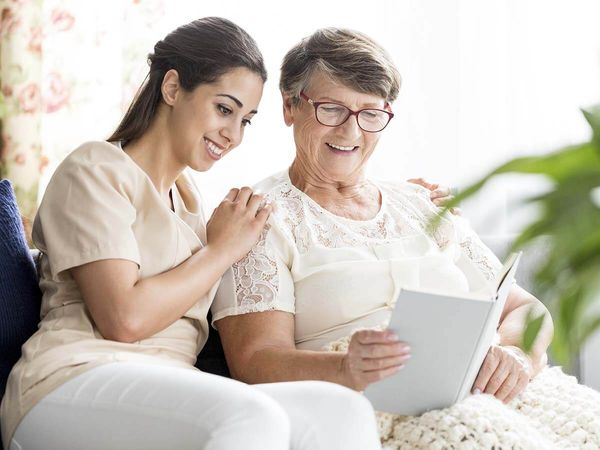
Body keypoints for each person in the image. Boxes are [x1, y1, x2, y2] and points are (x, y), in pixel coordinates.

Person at [0, 18, 387, 450]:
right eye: (225, 109)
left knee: (339, 409)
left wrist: (409, 200)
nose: (233, 134)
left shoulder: (189, 201)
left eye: (247, 120)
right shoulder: (95, 169)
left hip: (171, 383)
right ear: (171, 88)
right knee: (249, 414)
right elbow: (124, 319)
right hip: (72, 379)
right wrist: (221, 250)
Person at [211, 27, 554, 405]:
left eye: (370, 113)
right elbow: (256, 361)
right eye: (332, 108)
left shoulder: (424, 203)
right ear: (290, 106)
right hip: (366, 405)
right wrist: (346, 369)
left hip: (495, 397)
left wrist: (517, 355)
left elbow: (525, 307)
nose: (350, 130)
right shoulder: (258, 220)